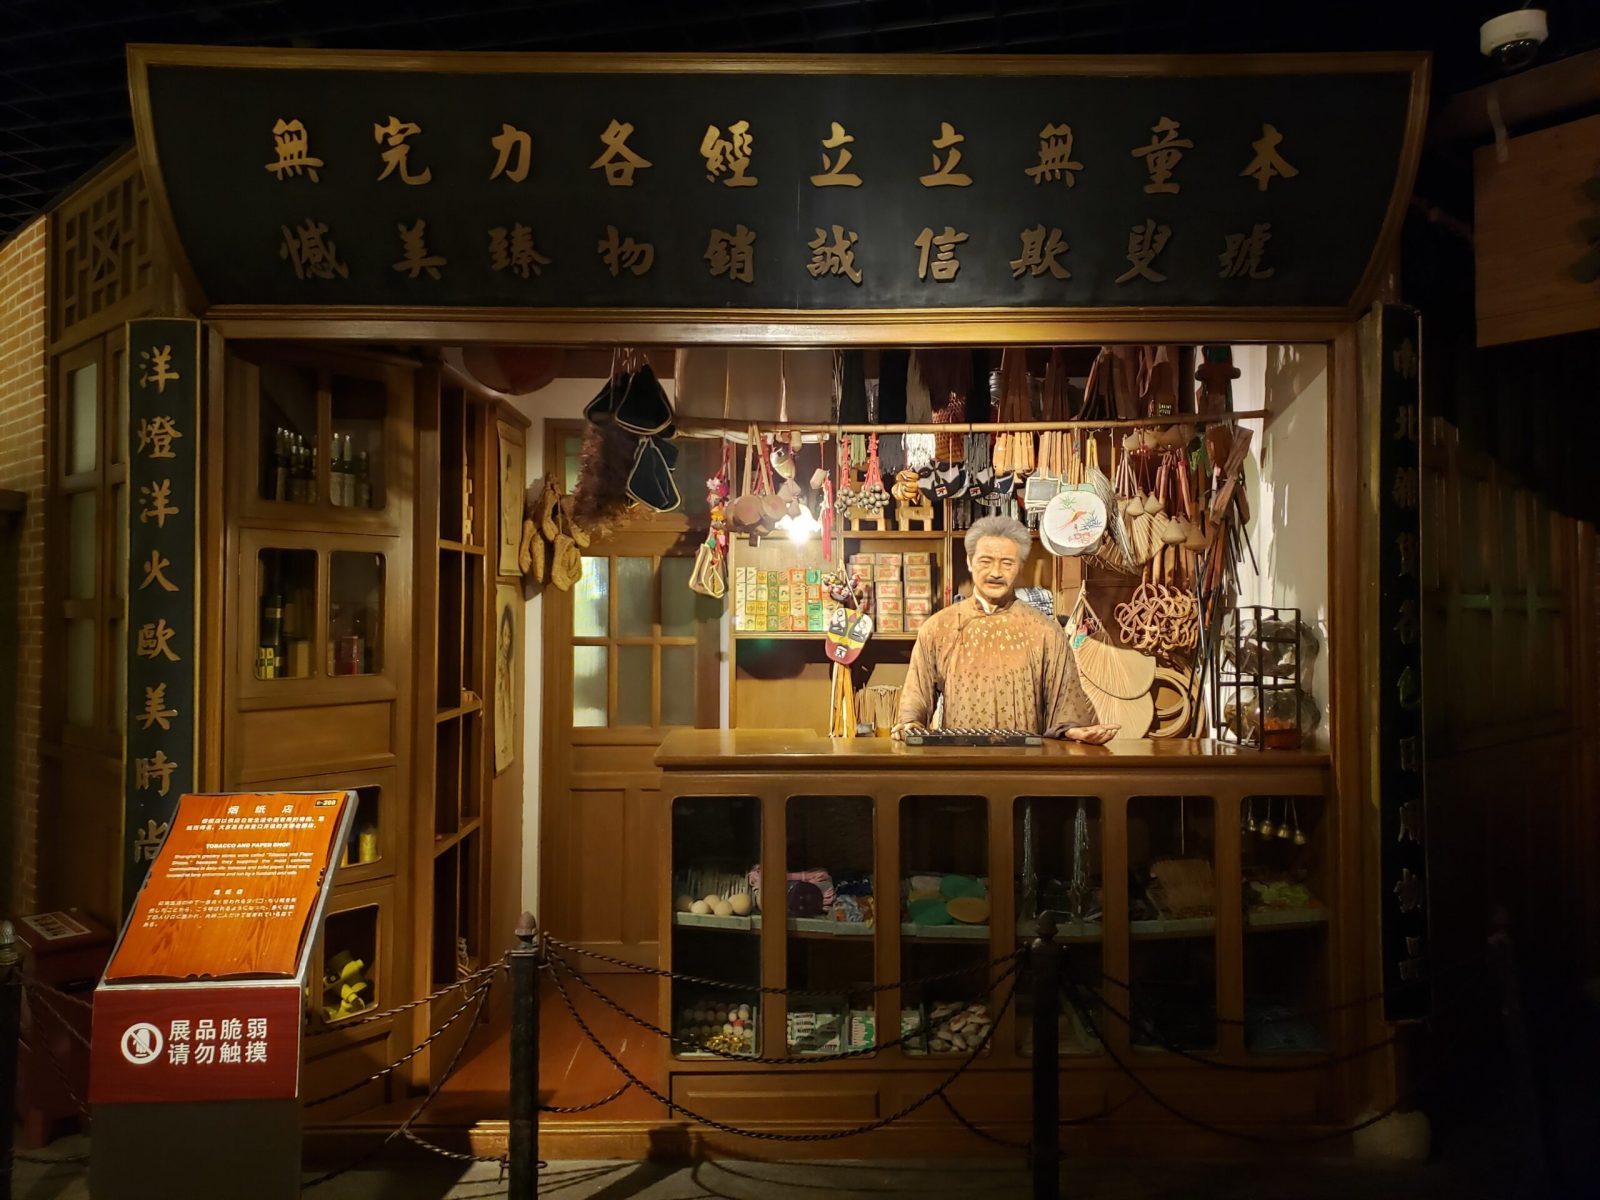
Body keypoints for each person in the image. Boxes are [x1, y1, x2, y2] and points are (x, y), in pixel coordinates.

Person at [892, 515, 1119, 744]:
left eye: (1007, 563)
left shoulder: (1045, 631)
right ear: (969, 562)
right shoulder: (939, 628)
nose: (996, 573)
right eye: (985, 561)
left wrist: (1074, 730)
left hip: (1025, 761)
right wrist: (910, 724)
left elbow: (1067, 704)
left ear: (1020, 566)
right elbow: (916, 700)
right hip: (960, 760)